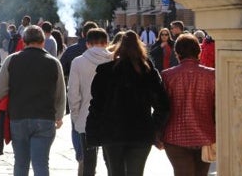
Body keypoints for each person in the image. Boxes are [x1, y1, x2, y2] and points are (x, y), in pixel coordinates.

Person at [85, 30, 170, 176]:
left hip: (112, 133)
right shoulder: (147, 71)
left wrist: (92, 133)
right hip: (141, 132)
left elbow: (96, 106)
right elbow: (162, 104)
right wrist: (154, 126)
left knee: (115, 172)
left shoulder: (106, 72)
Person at [0, 25, 66, 176]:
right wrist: (59, 116)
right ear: (43, 42)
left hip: (19, 116)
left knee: (20, 163)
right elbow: (60, 94)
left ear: (24, 41)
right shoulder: (53, 62)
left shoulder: (11, 60)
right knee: (41, 163)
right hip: (45, 118)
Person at [160, 33, 215, 176]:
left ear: (177, 53)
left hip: (175, 135)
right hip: (206, 135)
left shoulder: (167, 76)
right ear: (199, 51)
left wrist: (157, 133)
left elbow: (162, 108)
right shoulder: (212, 75)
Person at [68, 28, 112, 176]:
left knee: (88, 162)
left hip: (85, 118)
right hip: (110, 118)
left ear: (87, 44)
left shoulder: (78, 62)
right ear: (106, 43)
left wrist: (75, 117)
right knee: (112, 162)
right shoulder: (114, 61)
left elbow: (73, 93)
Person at [60, 20, 98, 170]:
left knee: (76, 127)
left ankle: (81, 156)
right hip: (97, 98)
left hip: (77, 94)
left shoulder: (71, 50)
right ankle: (90, 157)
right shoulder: (105, 54)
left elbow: (61, 70)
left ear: (83, 34)